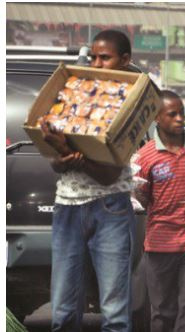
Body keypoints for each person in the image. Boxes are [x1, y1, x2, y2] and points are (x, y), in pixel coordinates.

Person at [39, 29, 136, 331]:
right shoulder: (73, 94)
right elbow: (57, 165)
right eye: (93, 56)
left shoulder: (130, 103)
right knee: (63, 311)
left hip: (110, 208)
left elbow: (110, 175)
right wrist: (61, 154)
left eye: (104, 58)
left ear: (124, 60)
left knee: (114, 312)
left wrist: (69, 150)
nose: (96, 63)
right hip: (67, 207)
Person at [134, 91, 185, 332]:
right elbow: (142, 198)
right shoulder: (145, 157)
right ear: (157, 117)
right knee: (162, 311)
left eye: (182, 113)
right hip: (160, 243)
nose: (180, 118)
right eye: (173, 114)